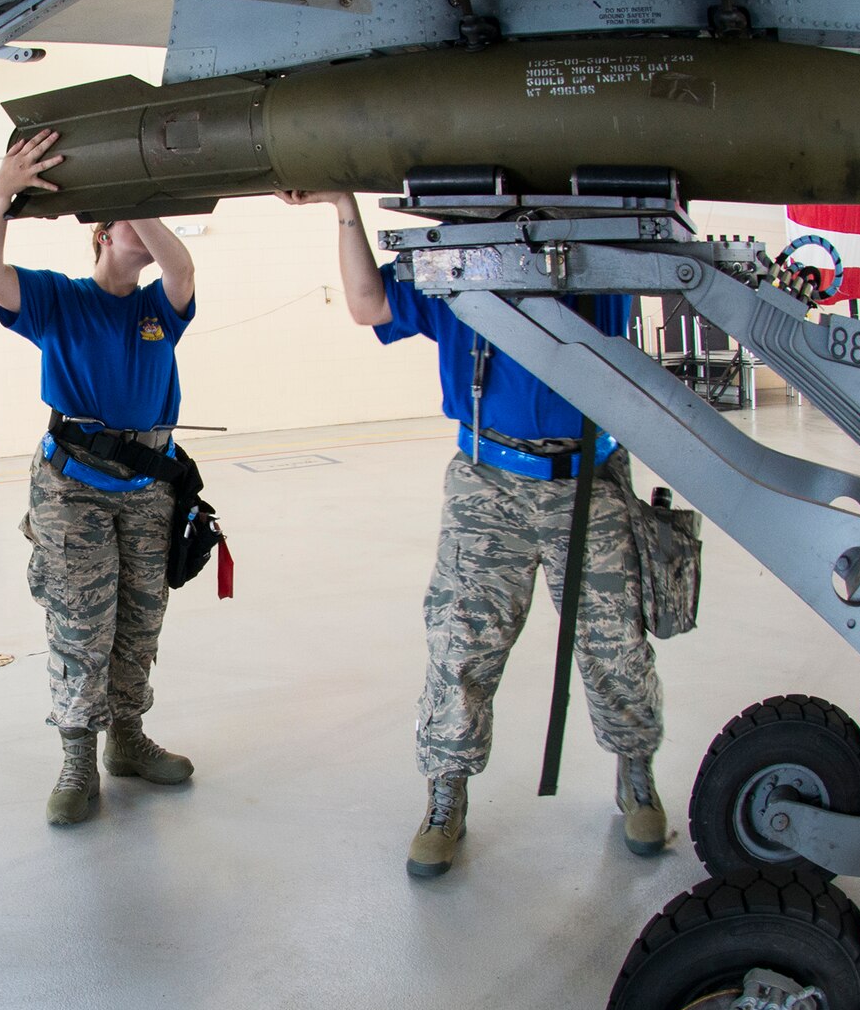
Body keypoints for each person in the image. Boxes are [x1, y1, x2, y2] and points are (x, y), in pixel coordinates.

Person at [280, 190, 667, 877]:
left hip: (588, 474)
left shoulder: (594, 241)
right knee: (461, 640)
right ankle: (445, 792)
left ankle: (635, 770)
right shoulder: (451, 260)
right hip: (488, 480)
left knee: (613, 639)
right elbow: (369, 305)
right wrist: (343, 204)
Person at [0, 130, 201, 825]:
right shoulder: (57, 300)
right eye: (130, 217)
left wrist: (138, 195)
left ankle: (126, 741)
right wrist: (0, 190)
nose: (147, 228)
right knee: (80, 624)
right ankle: (77, 757)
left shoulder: (159, 304)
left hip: (149, 488)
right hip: (73, 488)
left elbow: (182, 266)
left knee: (139, 622)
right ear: (102, 234)